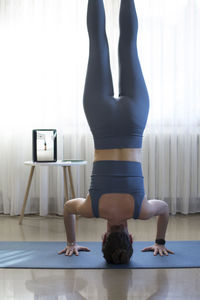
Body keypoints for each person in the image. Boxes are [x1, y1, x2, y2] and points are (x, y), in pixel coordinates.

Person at [58, 0, 174, 264]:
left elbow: (165, 210)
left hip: (133, 120)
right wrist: (71, 242)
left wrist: (160, 242)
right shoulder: (91, 208)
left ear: (131, 238)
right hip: (101, 120)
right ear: (102, 238)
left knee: (128, 45)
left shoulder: (142, 210)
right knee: (97, 44)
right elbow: (67, 209)